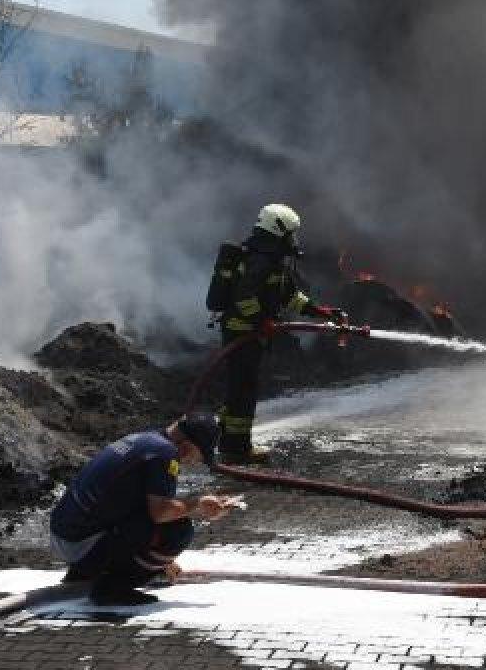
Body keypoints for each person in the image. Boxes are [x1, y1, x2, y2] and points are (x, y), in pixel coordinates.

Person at [49, 413, 234, 605]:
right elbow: (160, 513)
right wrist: (197, 505)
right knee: (179, 530)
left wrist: (162, 563)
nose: (194, 463)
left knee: (154, 522)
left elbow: (130, 502)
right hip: (79, 544)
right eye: (199, 457)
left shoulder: (146, 440)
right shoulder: (165, 453)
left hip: (66, 536)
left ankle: (83, 573)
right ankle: (111, 588)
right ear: (187, 447)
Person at [218, 203, 341, 463]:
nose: (293, 240)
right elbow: (243, 298)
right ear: (277, 231)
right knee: (242, 391)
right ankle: (235, 451)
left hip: (251, 334)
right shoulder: (259, 261)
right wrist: (261, 321)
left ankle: (227, 440)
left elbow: (289, 297)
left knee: (241, 389)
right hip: (241, 334)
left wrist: (321, 311)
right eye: (290, 234)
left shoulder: (273, 262)